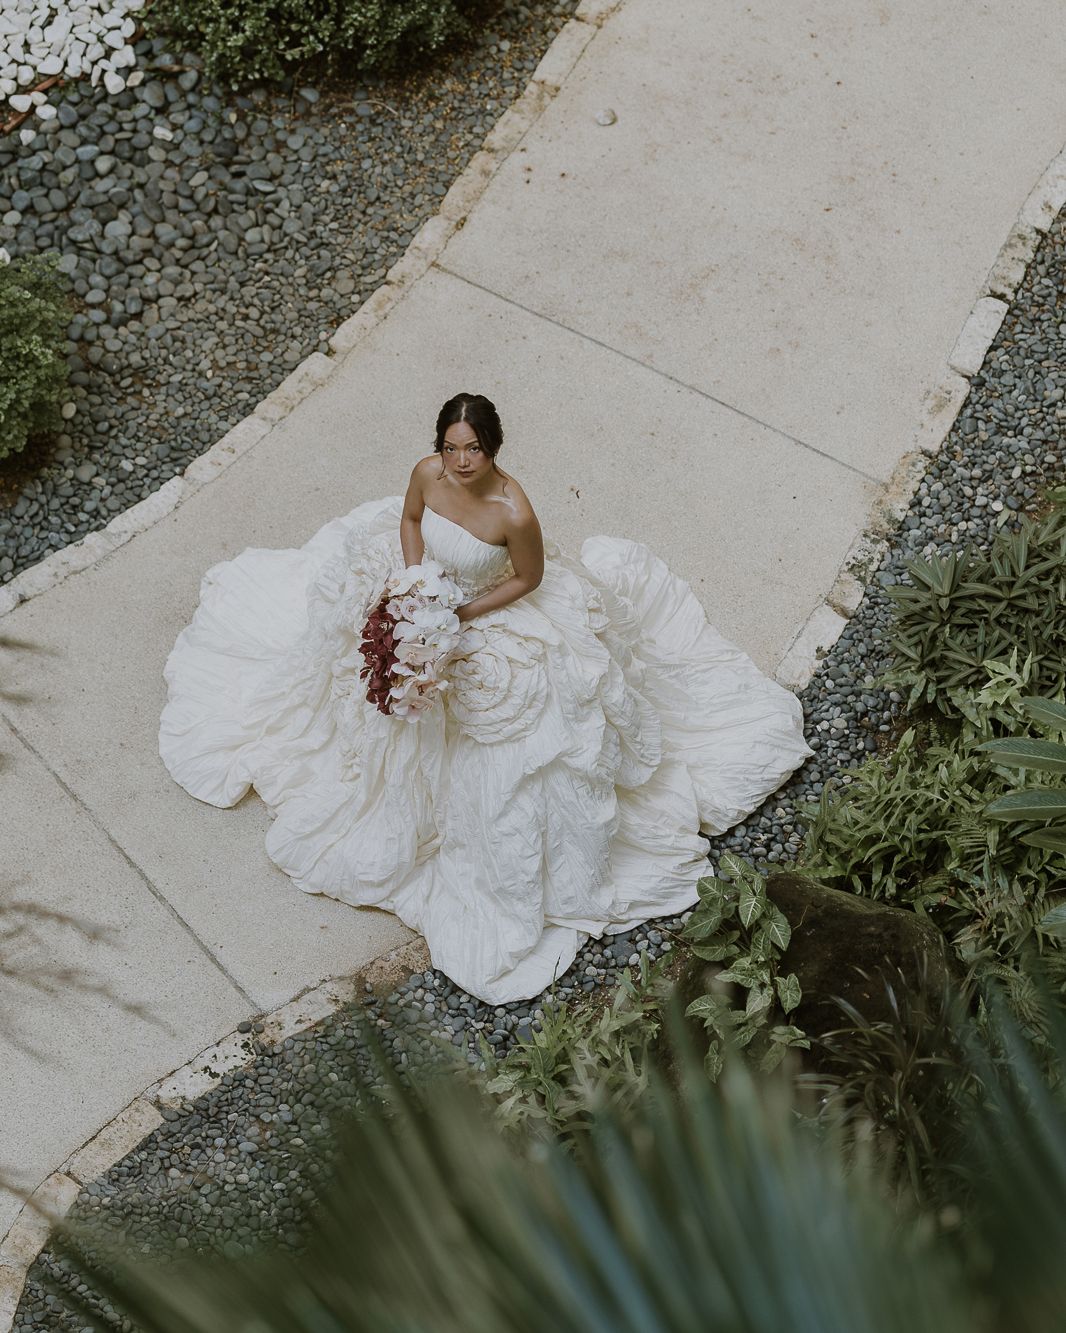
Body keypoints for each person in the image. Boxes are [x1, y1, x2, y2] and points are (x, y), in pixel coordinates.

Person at [159, 392, 812, 1004]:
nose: (460, 460)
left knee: (536, 733)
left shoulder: (513, 510)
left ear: (492, 449)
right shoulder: (426, 474)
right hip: (427, 594)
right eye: (451, 446)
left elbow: (530, 577)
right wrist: (413, 584)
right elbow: (410, 521)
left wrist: (462, 612)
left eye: (472, 448)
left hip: (489, 609)